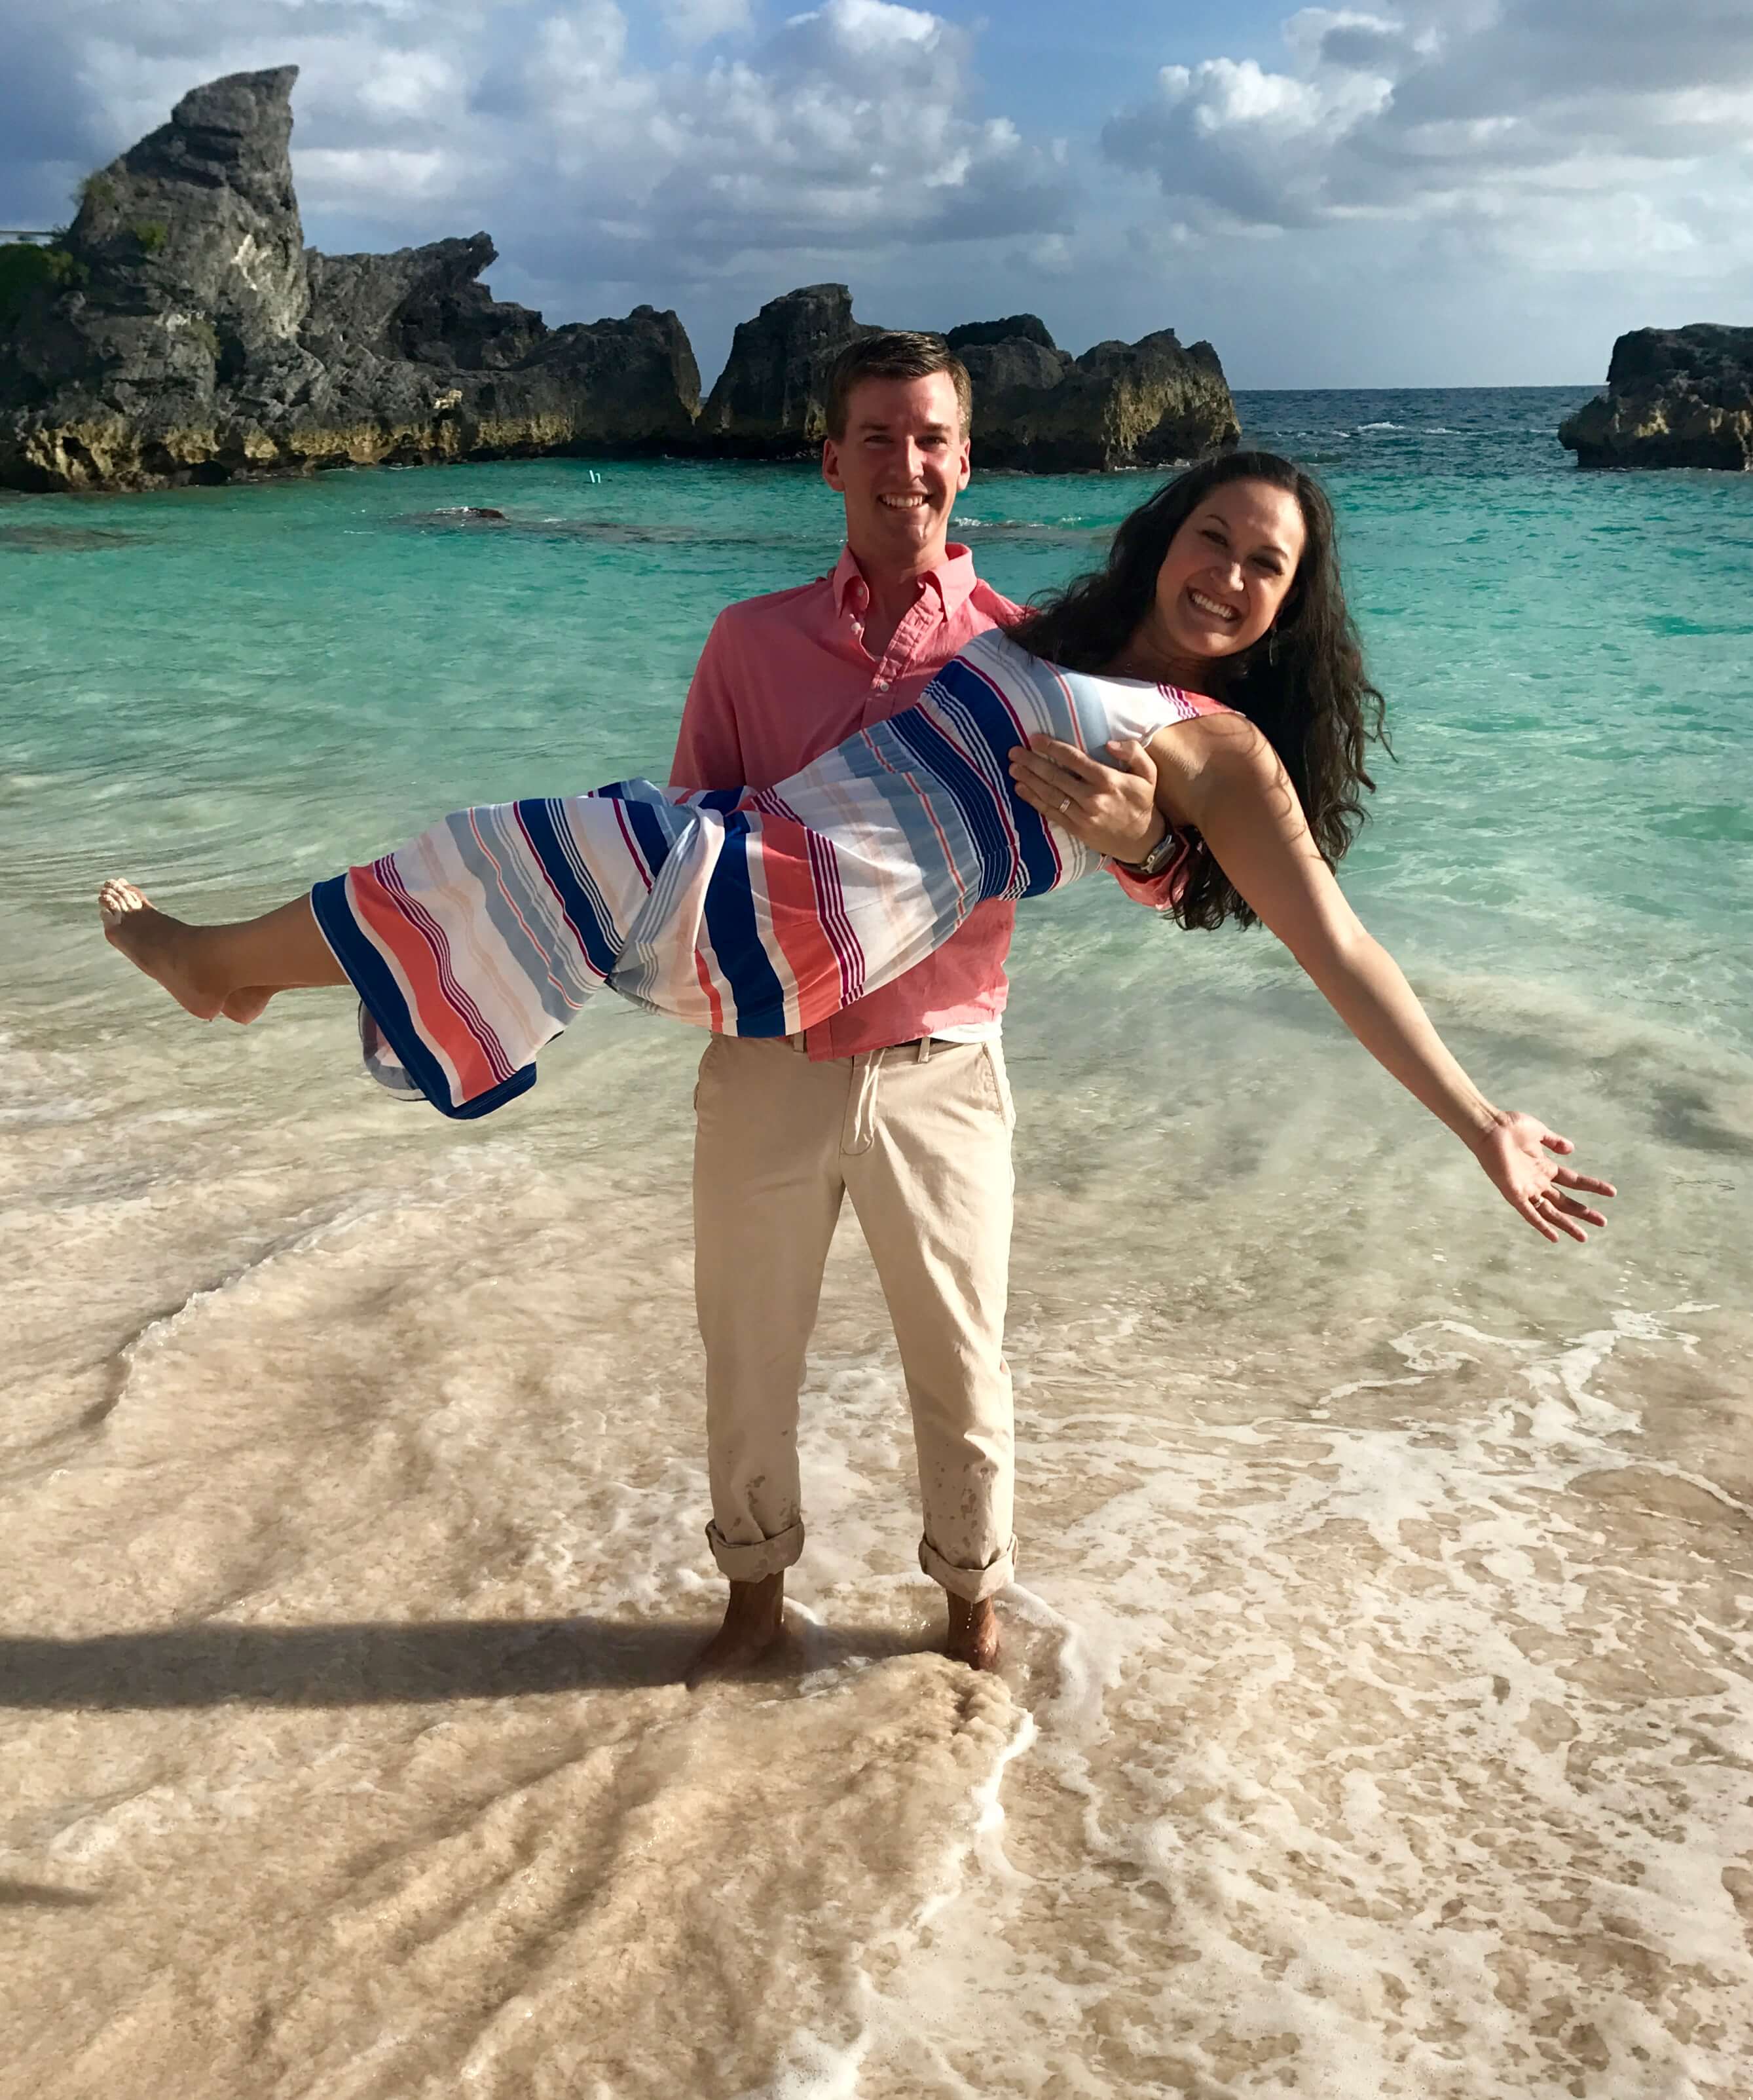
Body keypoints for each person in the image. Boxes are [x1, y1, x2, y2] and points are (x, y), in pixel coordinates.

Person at [97, 448, 1617, 1660]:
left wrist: (1478, 1117)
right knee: (480, 871)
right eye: (1214, 538)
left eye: (1264, 565)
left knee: (496, 858)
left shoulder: (1217, 747)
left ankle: (217, 965)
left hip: (810, 929)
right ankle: (231, 973)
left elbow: (1331, 944)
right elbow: (914, 611)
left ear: (1290, 606)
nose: (1228, 575)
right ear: (1165, 534)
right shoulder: (1029, 632)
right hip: (760, 900)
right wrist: (1121, 826)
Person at [668, 333, 1177, 1683]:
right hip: (765, 1059)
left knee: (964, 1371)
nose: (908, 463)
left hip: (945, 1061)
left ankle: (971, 1612)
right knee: (747, 1354)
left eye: (932, 437)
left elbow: (1151, 871)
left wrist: (1138, 837)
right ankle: (754, 1602)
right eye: (880, 437)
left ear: (967, 458)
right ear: (831, 459)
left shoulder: (1025, 656)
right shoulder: (747, 642)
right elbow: (687, 854)